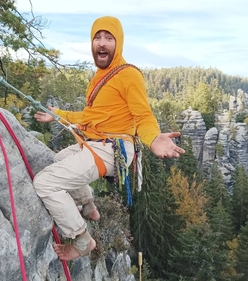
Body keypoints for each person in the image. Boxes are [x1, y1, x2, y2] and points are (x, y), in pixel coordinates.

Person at [33, 16, 185, 261]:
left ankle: (83, 240)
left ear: (119, 43)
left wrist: (154, 138)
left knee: (45, 183)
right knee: (59, 158)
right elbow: (91, 115)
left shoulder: (129, 76)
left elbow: (143, 115)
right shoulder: (100, 77)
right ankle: (88, 206)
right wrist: (58, 114)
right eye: (97, 37)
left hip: (113, 148)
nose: (102, 43)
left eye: (109, 38)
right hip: (98, 143)